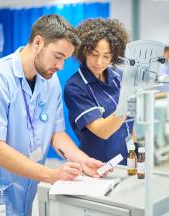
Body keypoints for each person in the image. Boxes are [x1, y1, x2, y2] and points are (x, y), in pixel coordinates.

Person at [0, 15, 108, 215]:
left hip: (27, 192)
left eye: (65, 59)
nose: (61, 66)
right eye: (58, 56)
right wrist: (50, 175)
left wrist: (82, 161)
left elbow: (56, 133)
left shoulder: (50, 81)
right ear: (38, 42)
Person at [64, 18, 134, 163]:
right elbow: (102, 131)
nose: (99, 62)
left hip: (128, 159)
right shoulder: (75, 86)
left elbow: (129, 123)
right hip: (97, 164)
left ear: (114, 56)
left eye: (106, 56)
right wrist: (128, 103)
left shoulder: (119, 77)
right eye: (94, 54)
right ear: (84, 50)